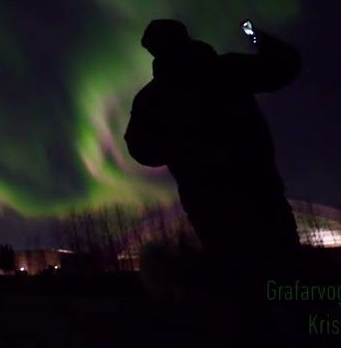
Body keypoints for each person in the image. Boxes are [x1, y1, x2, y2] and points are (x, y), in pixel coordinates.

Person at [125, 19, 302, 285]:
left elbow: (141, 150)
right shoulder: (227, 70)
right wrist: (254, 35)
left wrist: (176, 148)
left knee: (239, 282)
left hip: (207, 202)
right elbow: (285, 65)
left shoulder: (151, 99)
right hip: (258, 188)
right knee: (285, 273)